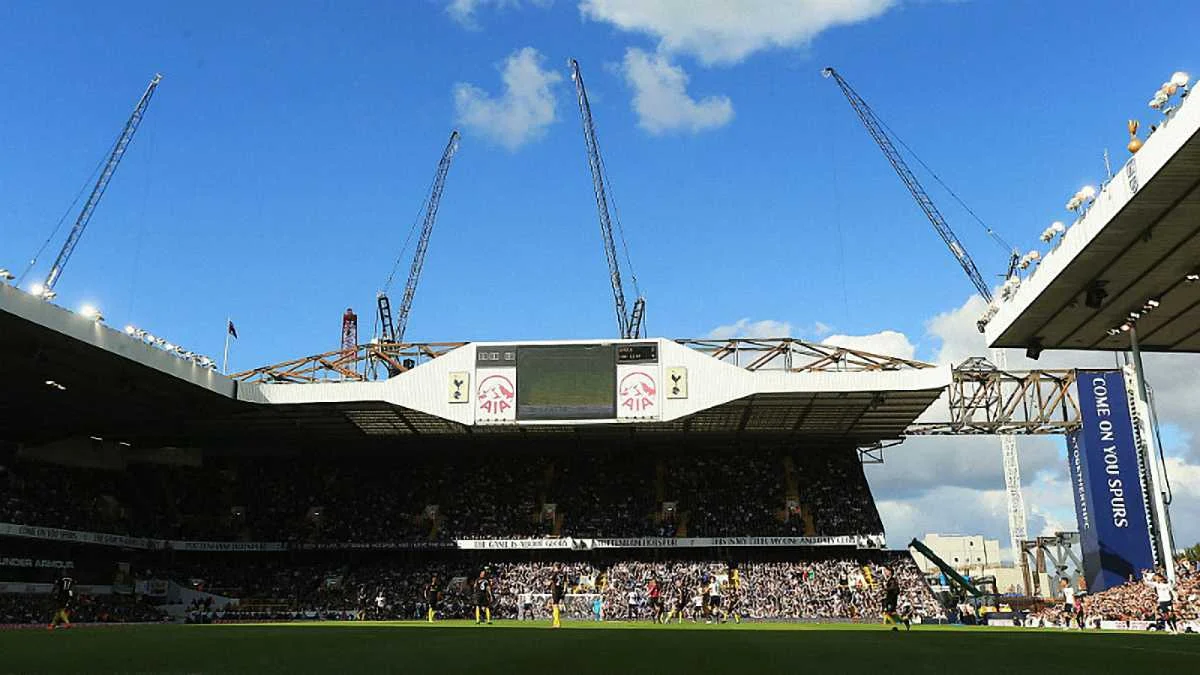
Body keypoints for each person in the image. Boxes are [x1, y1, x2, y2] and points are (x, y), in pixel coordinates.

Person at [548, 564, 566, 629]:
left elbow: (551, 580)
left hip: (555, 590)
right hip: (561, 590)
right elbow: (565, 582)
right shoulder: (563, 573)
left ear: (555, 567)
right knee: (555, 605)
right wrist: (564, 590)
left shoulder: (555, 573)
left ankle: (557, 623)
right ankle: (556, 623)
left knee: (555, 606)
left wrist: (548, 584)